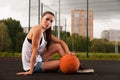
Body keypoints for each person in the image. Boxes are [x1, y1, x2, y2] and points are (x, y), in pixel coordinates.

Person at [16, 11, 73, 75]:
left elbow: (61, 42)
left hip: (39, 58)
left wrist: (68, 53)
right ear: (41, 19)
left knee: (58, 46)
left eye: (51, 21)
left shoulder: (46, 33)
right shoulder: (37, 29)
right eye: (47, 19)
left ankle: (70, 62)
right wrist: (30, 71)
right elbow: (34, 51)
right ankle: (70, 65)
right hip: (32, 65)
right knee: (62, 63)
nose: (48, 22)